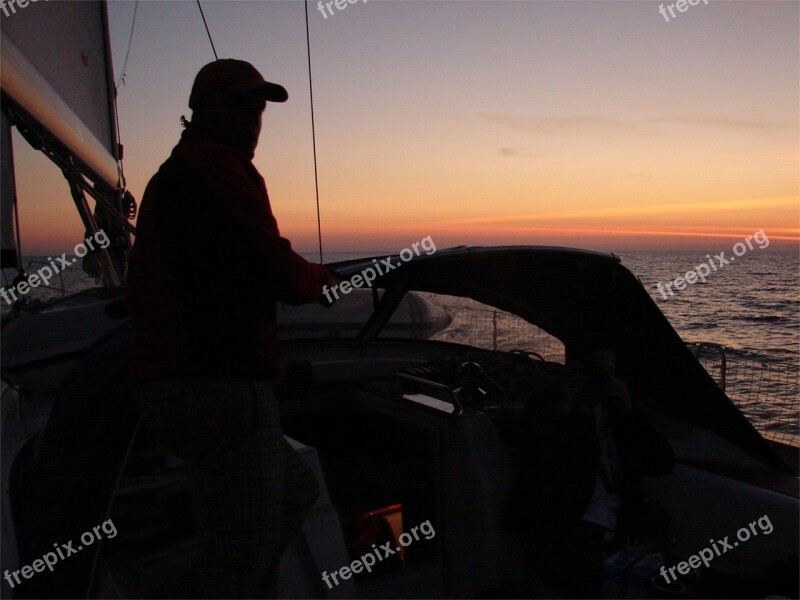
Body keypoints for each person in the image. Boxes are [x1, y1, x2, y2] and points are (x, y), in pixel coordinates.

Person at [126, 59, 338, 598]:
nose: (252, 120)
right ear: (204, 108)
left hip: (183, 386)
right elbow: (273, 265)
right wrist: (325, 283)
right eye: (240, 105)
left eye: (258, 108)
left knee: (293, 492)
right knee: (240, 568)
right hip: (215, 387)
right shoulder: (215, 168)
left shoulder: (175, 175)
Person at [506, 347, 673, 598]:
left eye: (604, 372)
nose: (595, 381)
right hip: (569, 533)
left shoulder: (620, 413)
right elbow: (537, 467)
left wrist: (629, 412)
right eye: (589, 371)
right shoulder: (548, 408)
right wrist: (562, 406)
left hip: (620, 531)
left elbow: (660, 464)